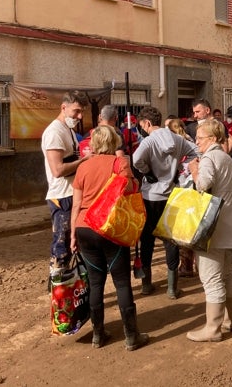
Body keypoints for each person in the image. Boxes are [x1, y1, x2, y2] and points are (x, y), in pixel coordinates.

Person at [70, 126, 149, 351]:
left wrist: (72, 234)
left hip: (84, 227)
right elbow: (133, 188)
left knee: (95, 282)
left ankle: (97, 334)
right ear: (114, 142)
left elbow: (76, 204)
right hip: (110, 228)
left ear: (93, 143)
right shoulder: (119, 163)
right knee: (121, 281)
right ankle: (131, 336)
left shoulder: (83, 167)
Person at [186, 120, 232, 342]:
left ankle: (212, 329)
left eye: (200, 138)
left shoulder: (209, 158)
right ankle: (228, 321)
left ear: (213, 139)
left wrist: (194, 169)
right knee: (226, 274)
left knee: (212, 278)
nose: (196, 142)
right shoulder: (225, 157)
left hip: (214, 230)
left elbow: (203, 185)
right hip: (230, 227)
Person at [132, 106, 199, 298]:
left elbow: (136, 160)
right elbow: (195, 151)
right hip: (171, 195)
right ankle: (172, 288)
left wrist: (148, 172)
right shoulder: (177, 139)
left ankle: (146, 285)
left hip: (150, 197)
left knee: (147, 240)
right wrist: (180, 167)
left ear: (146, 123)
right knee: (170, 240)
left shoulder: (148, 142)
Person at [42, 90, 92, 283]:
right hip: (61, 197)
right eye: (76, 111)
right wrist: (85, 161)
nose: (79, 117)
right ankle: (58, 290)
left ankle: (69, 290)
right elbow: (57, 169)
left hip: (72, 194)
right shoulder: (54, 132)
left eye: (82, 113)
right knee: (61, 247)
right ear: (64, 107)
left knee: (73, 244)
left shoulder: (69, 130)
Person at [166, 118, 197, 278]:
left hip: (181, 191)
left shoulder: (173, 146)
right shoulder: (191, 142)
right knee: (193, 228)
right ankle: (196, 265)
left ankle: (186, 266)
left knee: (184, 231)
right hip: (193, 189)